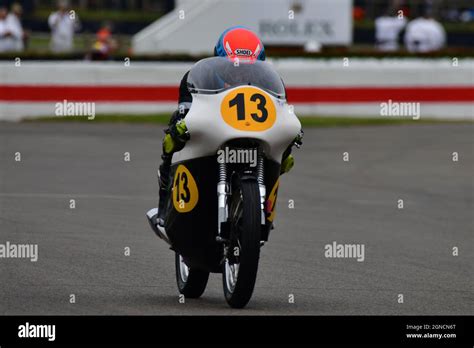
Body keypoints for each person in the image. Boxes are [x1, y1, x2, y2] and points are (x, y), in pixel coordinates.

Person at [155, 26, 302, 227]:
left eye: (248, 67)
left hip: (254, 133)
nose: (240, 72)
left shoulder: (270, 79)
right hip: (214, 132)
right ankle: (164, 206)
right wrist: (182, 123)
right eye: (234, 66)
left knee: (287, 154)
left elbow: (281, 109)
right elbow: (186, 109)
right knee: (172, 136)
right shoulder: (199, 76)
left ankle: (264, 208)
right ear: (219, 61)